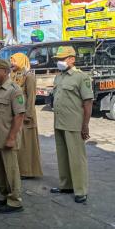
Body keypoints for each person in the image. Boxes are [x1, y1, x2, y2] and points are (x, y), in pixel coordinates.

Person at [50, 46, 93, 203]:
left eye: (62, 59)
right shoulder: (59, 77)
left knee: (77, 158)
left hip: (74, 123)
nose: (59, 62)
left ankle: (81, 190)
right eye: (58, 59)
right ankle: (66, 185)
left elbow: (88, 102)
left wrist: (85, 125)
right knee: (62, 156)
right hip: (59, 122)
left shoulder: (81, 77)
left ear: (72, 59)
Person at [0, 58, 26, 214]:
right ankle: (4, 195)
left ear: (5, 71)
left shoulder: (14, 90)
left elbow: (19, 116)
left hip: (7, 137)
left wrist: (11, 138)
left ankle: (15, 201)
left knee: (11, 170)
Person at [10, 53, 43, 179]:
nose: (11, 64)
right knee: (19, 144)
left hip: (26, 116)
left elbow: (31, 98)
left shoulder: (29, 77)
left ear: (21, 61)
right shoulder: (13, 76)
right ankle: (20, 169)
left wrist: (28, 115)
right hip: (16, 114)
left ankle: (28, 171)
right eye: (11, 61)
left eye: (14, 61)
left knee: (27, 145)